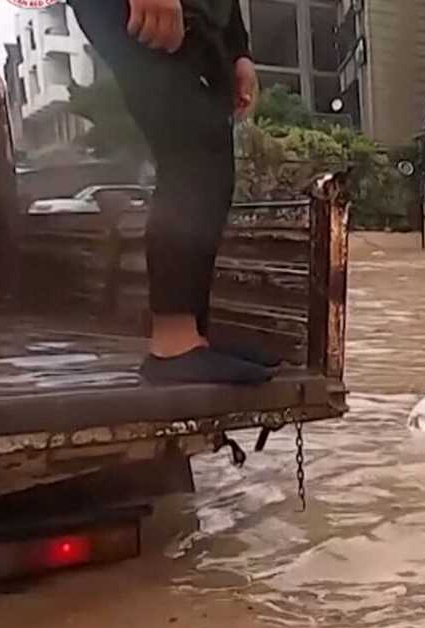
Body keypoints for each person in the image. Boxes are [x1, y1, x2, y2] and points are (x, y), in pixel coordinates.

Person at [70, 0, 275, 385]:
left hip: (197, 14)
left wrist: (238, 51)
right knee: (189, 141)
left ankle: (192, 335)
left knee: (210, 146)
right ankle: (172, 344)